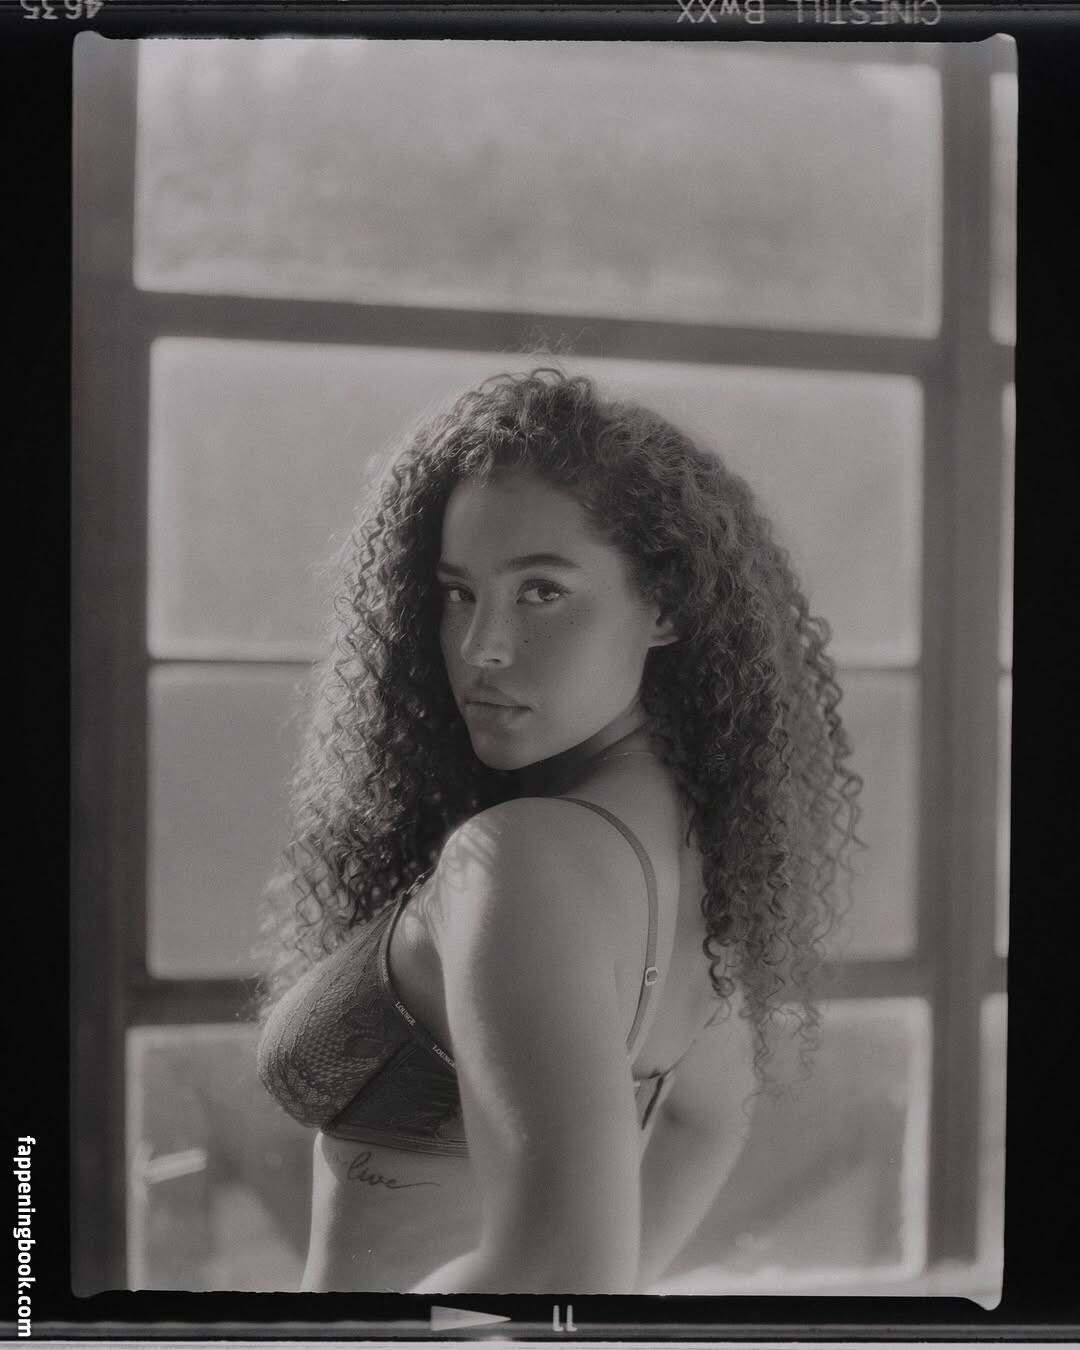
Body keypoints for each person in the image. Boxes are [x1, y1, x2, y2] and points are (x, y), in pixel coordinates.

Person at [255, 367, 862, 1294]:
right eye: (458, 593)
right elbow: (705, 1119)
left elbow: (558, 1273)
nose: (481, 646)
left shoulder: (522, 858)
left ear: (666, 604)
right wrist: (611, 1292)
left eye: (541, 591)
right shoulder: (701, 851)